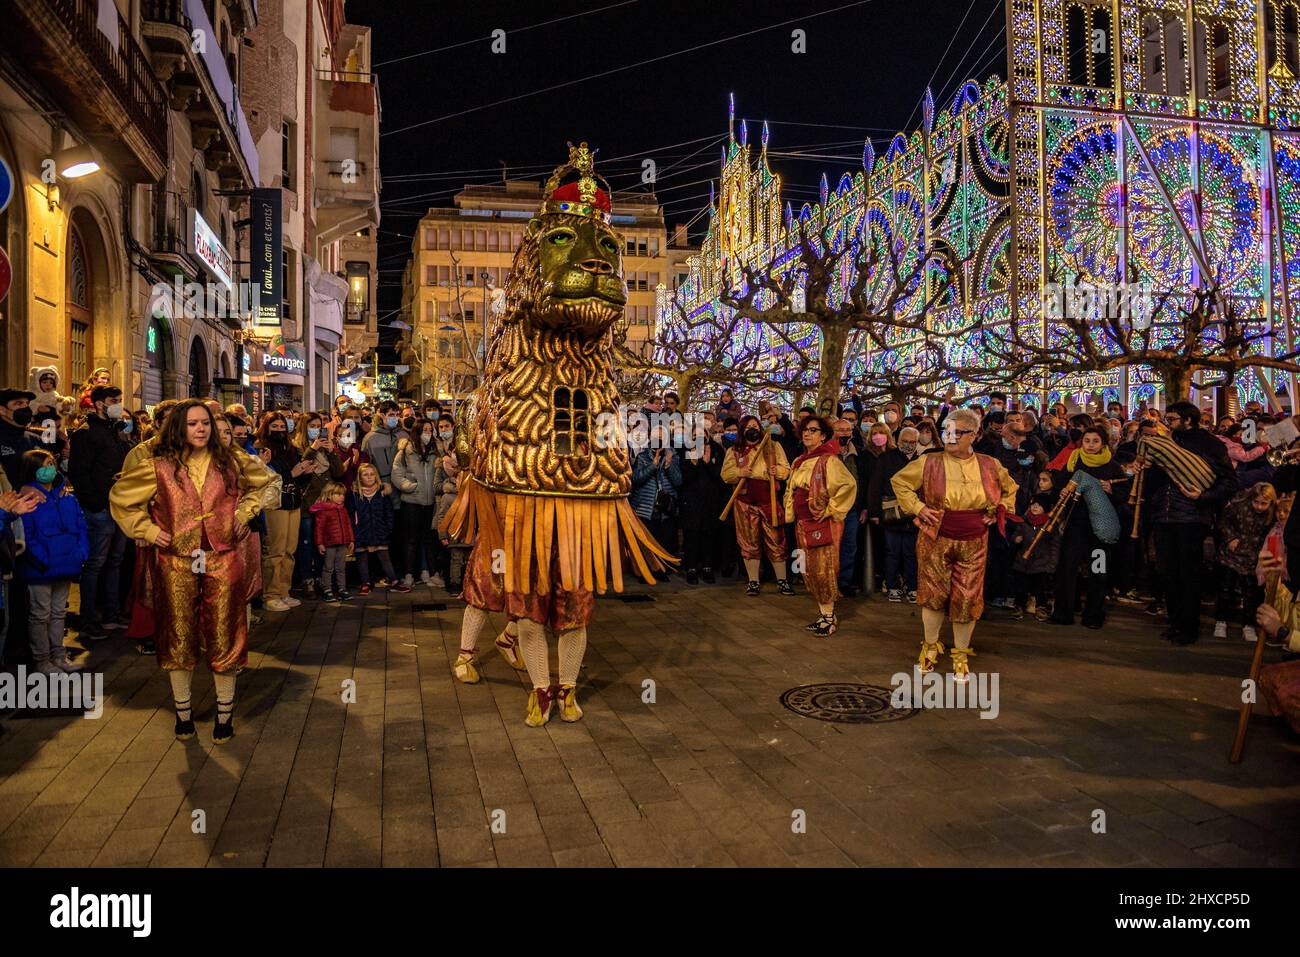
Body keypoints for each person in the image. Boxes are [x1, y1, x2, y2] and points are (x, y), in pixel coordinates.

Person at [110, 399, 272, 743]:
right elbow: (122, 498)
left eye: (205, 423)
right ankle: (183, 715)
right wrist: (149, 530)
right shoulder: (157, 466)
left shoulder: (232, 461)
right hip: (176, 560)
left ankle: (224, 716)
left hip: (222, 557)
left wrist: (245, 511)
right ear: (178, 428)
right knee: (177, 634)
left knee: (226, 632)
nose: (200, 429)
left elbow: (268, 482)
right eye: (193, 423)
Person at [890, 408, 1018, 681]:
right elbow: (899, 482)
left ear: (974, 434)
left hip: (974, 539)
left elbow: (1010, 489)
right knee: (933, 593)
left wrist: (1000, 509)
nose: (950, 437)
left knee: (968, 597)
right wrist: (918, 507)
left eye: (957, 432)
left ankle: (960, 654)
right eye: (946, 430)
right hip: (936, 536)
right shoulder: (929, 461)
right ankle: (930, 646)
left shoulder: (989, 464)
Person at [1140, 401, 1238, 645]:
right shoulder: (1165, 442)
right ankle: (1175, 622)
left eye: (1172, 419)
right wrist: (1147, 469)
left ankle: (1189, 627)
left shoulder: (1210, 444)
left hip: (1192, 516)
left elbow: (1229, 482)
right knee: (1167, 572)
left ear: (1188, 420)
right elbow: (1155, 481)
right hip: (1164, 514)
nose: (1166, 422)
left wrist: (1203, 497)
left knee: (1188, 574)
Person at [66, 384, 131, 641]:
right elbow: (79, 472)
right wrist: (94, 503)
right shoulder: (86, 432)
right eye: (114, 400)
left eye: (119, 399)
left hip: (119, 506)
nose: (118, 404)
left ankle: (111, 614)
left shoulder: (116, 431)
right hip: (100, 507)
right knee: (95, 563)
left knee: (115, 561)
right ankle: (89, 618)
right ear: (100, 404)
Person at [784, 416, 856, 636]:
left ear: (823, 435)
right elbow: (791, 489)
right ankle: (824, 612)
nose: (807, 434)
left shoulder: (829, 460)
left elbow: (847, 485)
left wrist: (829, 510)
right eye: (805, 430)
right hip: (802, 523)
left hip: (822, 523)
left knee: (824, 568)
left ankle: (828, 616)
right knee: (808, 568)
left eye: (813, 430)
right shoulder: (799, 460)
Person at [1048, 427, 1124, 628]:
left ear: (1103, 444)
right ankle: (1064, 612)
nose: (1090, 445)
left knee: (1098, 570)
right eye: (1087, 440)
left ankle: (1094, 614)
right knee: (1067, 567)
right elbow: (1059, 486)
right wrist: (1062, 491)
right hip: (1076, 524)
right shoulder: (1073, 461)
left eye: (1095, 441)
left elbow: (1124, 497)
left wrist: (1111, 490)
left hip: (1099, 529)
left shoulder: (1113, 467)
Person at [17, 452, 82, 673]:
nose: (51, 468)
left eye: (53, 464)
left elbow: (80, 526)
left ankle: (59, 656)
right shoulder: (27, 499)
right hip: (41, 567)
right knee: (40, 614)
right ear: (33, 469)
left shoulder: (65, 497)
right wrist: (42, 560)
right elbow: (27, 534)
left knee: (58, 613)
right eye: (46, 465)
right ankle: (42, 660)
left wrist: (79, 553)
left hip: (64, 564)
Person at [721, 414, 793, 596]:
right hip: (744, 501)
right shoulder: (734, 451)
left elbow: (786, 469)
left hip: (769, 500)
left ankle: (782, 581)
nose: (752, 429)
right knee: (749, 542)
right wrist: (739, 471)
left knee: (776, 540)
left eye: (755, 426)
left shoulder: (773, 447)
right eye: (747, 427)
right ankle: (753, 581)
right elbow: (726, 474)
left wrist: (777, 471)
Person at [256, 412, 311, 612]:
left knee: (289, 550)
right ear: (266, 427)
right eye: (275, 426)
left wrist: (305, 472)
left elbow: (297, 476)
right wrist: (292, 473)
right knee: (275, 550)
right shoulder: (261, 447)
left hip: (293, 500)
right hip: (275, 503)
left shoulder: (291, 448)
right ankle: (270, 595)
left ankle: (284, 591)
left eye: (282, 426)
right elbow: (264, 477)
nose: (279, 430)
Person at [1212, 483, 1277, 641]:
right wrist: (1230, 538)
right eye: (1257, 502)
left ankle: (1248, 625)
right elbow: (1223, 521)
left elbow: (1272, 535)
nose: (1260, 507)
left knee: (1251, 594)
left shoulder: (1272, 514)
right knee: (1225, 590)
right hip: (1231, 556)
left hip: (1253, 559)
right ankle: (1221, 621)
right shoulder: (1238, 506)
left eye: (1264, 503)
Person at [292, 411, 345, 596]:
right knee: (306, 544)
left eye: (318, 427)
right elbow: (301, 467)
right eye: (312, 426)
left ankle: (325, 580)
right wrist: (313, 448)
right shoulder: (297, 447)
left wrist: (331, 452)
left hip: (326, 504)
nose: (316, 430)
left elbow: (339, 472)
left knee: (323, 544)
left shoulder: (326, 448)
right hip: (307, 505)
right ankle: (307, 581)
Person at [391, 417, 444, 588]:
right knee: (411, 540)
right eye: (425, 430)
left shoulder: (435, 450)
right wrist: (410, 487)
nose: (428, 433)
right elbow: (397, 473)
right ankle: (409, 574)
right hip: (412, 501)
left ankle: (430, 571)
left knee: (428, 539)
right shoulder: (406, 450)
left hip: (430, 502)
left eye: (430, 430)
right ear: (417, 432)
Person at [871, 424, 921, 601]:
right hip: (891, 512)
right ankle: (892, 585)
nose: (909, 444)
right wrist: (874, 512)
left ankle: (912, 586)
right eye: (905, 441)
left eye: (912, 442)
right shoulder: (886, 458)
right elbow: (876, 486)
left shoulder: (921, 460)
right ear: (898, 441)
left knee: (911, 552)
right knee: (892, 552)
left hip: (914, 514)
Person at [678, 422, 726, 584]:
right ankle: (691, 568)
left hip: (711, 502)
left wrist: (708, 463)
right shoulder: (686, 450)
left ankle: (707, 567)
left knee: (709, 536)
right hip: (690, 502)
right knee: (691, 537)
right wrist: (694, 462)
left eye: (702, 434)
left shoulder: (716, 450)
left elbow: (721, 477)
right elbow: (683, 479)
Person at [630, 427, 682, 568]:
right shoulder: (642, 456)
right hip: (647, 507)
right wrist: (653, 465)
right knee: (649, 541)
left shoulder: (674, 455)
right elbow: (636, 479)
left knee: (666, 541)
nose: (658, 440)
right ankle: (648, 569)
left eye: (661, 437)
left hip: (666, 508)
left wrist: (668, 464)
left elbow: (678, 481)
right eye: (655, 437)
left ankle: (665, 568)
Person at [353, 463, 405, 595]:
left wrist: (388, 529)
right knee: (362, 558)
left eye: (372, 474)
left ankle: (394, 581)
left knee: (385, 557)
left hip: (380, 531)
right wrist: (354, 530)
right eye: (365, 475)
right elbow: (350, 514)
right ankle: (365, 583)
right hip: (361, 532)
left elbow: (389, 513)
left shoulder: (382, 494)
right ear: (360, 478)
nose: (369, 477)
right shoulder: (355, 495)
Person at [832, 417, 866, 596]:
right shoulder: (827, 454)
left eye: (847, 430)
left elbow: (864, 481)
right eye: (840, 430)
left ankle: (844, 582)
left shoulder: (859, 453)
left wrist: (864, 507)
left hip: (852, 510)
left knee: (849, 546)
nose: (844, 433)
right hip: (832, 509)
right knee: (831, 546)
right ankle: (830, 581)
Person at [311, 480, 354, 602]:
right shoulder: (323, 511)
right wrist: (319, 543)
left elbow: (348, 525)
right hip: (329, 544)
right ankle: (327, 589)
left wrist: (351, 540)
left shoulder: (343, 509)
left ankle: (342, 589)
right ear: (330, 494)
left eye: (343, 494)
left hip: (342, 543)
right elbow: (318, 528)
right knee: (328, 567)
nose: (342, 497)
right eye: (338, 494)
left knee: (341, 567)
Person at [0, 387, 36, 487]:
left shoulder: (35, 439)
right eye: (18, 403)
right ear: (2, 410)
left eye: (27, 403)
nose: (25, 407)